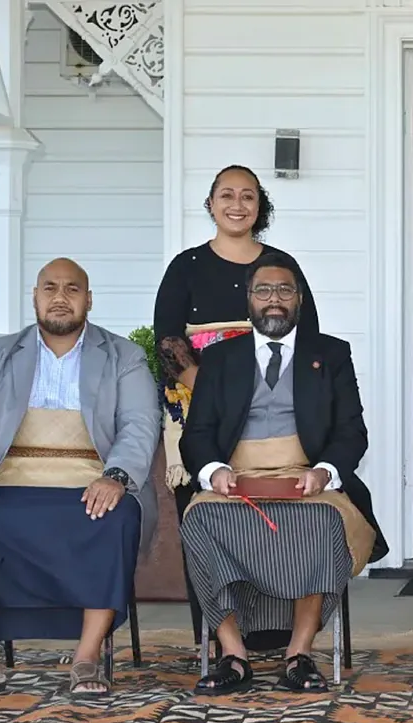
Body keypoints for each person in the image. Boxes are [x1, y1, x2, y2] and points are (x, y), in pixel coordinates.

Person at [0, 258, 161, 698]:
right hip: (9, 480)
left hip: (92, 480)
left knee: (115, 517)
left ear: (89, 300)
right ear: (35, 297)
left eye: (72, 289)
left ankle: (86, 657)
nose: (60, 297)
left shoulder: (124, 356)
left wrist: (116, 476)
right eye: (50, 288)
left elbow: (140, 424)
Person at [178, 252, 386, 695]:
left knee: (323, 521)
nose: (274, 299)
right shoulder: (219, 358)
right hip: (236, 478)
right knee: (199, 519)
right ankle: (233, 655)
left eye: (284, 290)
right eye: (264, 291)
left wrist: (325, 472)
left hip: (304, 477)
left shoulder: (330, 354)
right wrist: (213, 471)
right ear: (249, 299)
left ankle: (299, 654)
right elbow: (197, 434)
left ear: (299, 299)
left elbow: (352, 431)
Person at [153, 164, 319, 649]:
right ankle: (220, 637)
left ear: (260, 206)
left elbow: (307, 342)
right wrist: (216, 396)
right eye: (226, 195)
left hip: (276, 410)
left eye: (248, 196)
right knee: (209, 519)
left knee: (282, 523)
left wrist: (259, 395)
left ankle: (279, 629)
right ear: (210, 204)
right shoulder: (185, 266)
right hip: (199, 406)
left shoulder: (281, 266)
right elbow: (168, 341)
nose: (237, 204)